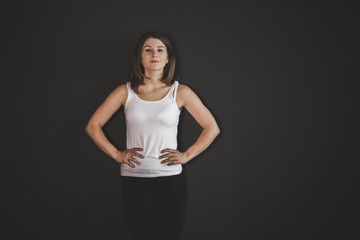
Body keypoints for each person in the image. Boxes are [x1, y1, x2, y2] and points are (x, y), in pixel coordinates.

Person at [85, 31, 220, 240]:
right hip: (133, 180)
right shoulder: (125, 91)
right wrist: (117, 154)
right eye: (148, 50)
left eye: (160, 50)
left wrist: (187, 155)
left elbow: (212, 127)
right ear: (140, 57)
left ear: (168, 58)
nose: (154, 54)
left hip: (170, 180)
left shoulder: (180, 92)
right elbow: (93, 125)